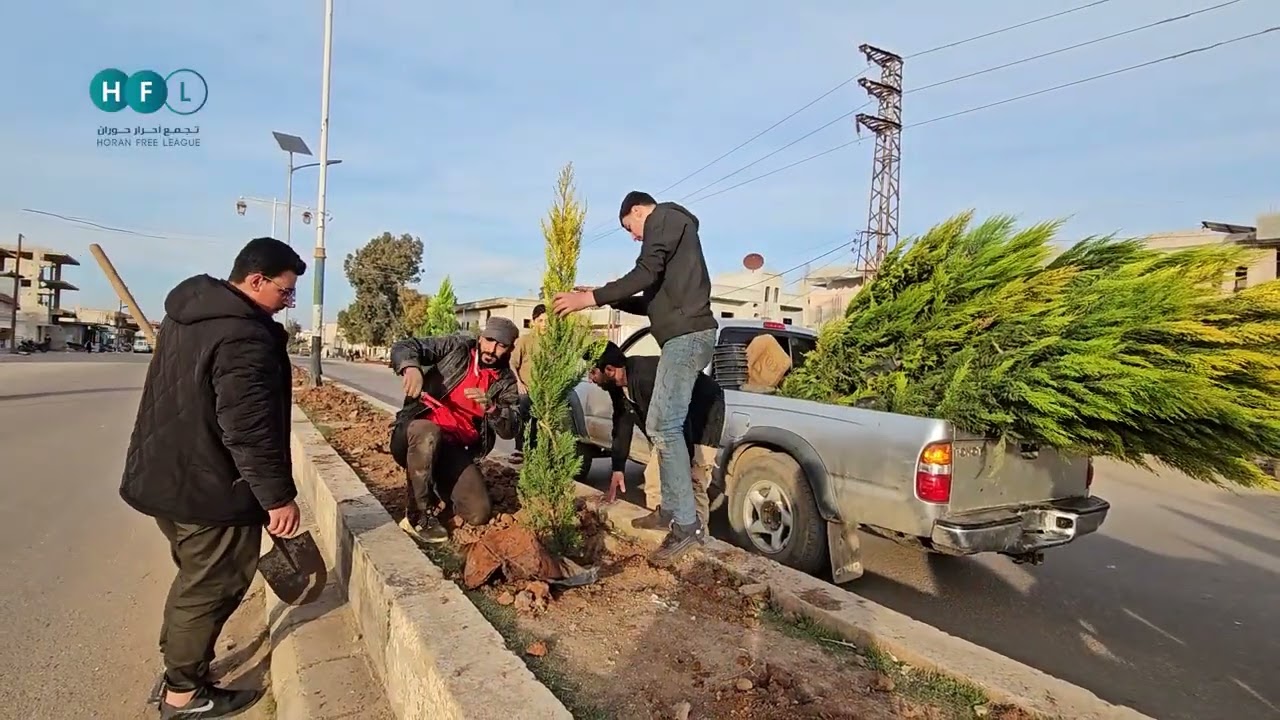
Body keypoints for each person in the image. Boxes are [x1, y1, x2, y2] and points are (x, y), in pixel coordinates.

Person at [120, 237, 305, 719]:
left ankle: (180, 669)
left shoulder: (189, 315)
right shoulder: (243, 335)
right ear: (255, 280)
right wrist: (277, 498)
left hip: (167, 476)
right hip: (209, 487)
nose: (288, 303)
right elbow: (248, 428)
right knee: (211, 586)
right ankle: (183, 694)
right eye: (284, 293)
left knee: (194, 580)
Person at [553, 191, 717, 566]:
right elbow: (649, 299)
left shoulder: (666, 219)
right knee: (663, 425)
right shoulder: (673, 245)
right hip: (680, 336)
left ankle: (687, 525)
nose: (634, 237)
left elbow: (644, 273)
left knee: (663, 424)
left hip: (687, 337)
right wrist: (607, 298)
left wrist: (589, 299)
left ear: (640, 210)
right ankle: (671, 508)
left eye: (630, 227)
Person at [388, 317, 521, 543]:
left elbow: (511, 429)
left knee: (478, 512)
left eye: (501, 345)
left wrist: (492, 407)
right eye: (489, 340)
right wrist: (410, 367)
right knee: (428, 432)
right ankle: (418, 517)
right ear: (480, 337)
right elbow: (406, 346)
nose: (492, 349)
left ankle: (435, 483)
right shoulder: (456, 348)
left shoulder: (506, 381)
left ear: (510, 349)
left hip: (455, 450)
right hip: (415, 433)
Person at [589, 342, 724, 532]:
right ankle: (661, 533)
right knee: (654, 479)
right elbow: (622, 421)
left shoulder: (647, 378)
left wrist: (684, 460)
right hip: (673, 428)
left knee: (694, 482)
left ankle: (697, 538)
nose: (590, 379)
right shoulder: (618, 386)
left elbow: (680, 418)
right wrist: (618, 467)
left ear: (609, 370)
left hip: (703, 415)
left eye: (593, 372)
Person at [507, 303, 548, 463]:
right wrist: (519, 383)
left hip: (544, 390)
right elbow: (512, 363)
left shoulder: (552, 343)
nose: (544, 324)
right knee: (523, 409)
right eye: (541, 320)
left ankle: (538, 451)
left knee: (541, 420)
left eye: (547, 321)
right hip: (526, 388)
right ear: (534, 322)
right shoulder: (525, 340)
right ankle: (519, 449)